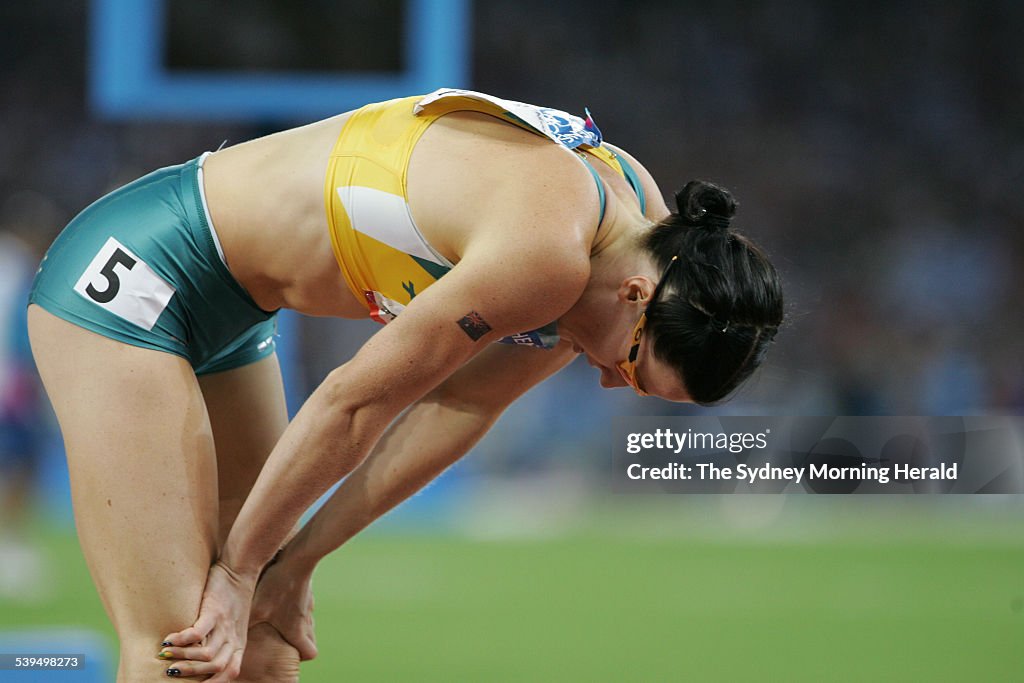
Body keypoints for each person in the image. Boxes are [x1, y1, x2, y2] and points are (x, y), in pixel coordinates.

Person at [28, 88, 783, 681]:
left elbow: (460, 404)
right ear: (638, 299)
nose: (612, 384)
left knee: (263, 648)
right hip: (136, 277)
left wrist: (292, 566)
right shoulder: (549, 254)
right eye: (630, 365)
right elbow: (356, 401)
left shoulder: (633, 237)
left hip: (234, 313)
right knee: (180, 654)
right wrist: (239, 568)